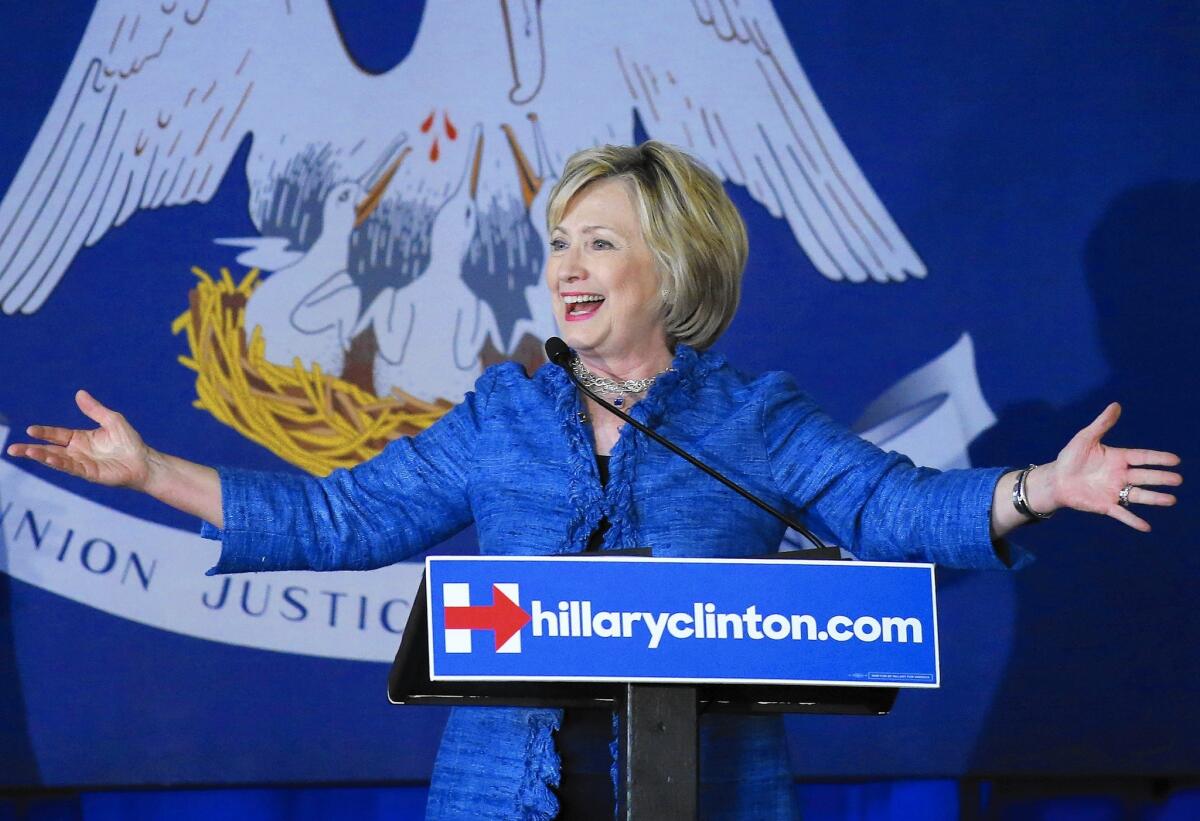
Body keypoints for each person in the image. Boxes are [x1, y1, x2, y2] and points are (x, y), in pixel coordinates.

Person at [7, 142, 1181, 820]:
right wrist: (150, 468)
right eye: (559, 242)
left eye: (599, 241)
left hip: (711, 792)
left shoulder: (753, 415)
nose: (565, 265)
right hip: (501, 793)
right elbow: (342, 514)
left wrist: (1039, 485)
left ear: (672, 266)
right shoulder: (504, 414)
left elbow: (889, 507)